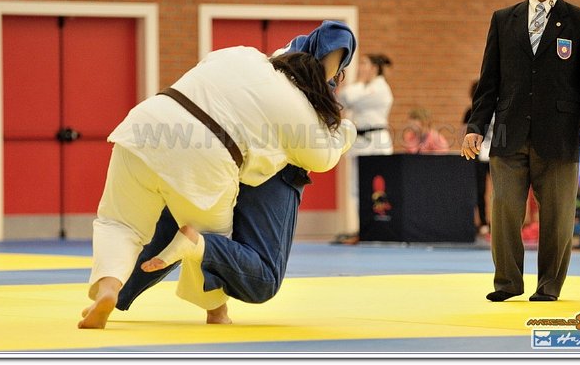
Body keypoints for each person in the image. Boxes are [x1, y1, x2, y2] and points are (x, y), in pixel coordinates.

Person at [78, 24, 357, 328]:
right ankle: (217, 312)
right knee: (207, 241)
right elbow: (325, 158)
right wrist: (347, 132)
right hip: (206, 154)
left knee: (119, 222)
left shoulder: (242, 54)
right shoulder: (300, 110)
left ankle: (108, 289)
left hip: (146, 124)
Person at [461, 0, 580, 303]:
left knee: (557, 219)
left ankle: (549, 287)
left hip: (558, 135)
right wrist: (475, 127)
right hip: (509, 133)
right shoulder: (502, 19)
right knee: (505, 211)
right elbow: (488, 81)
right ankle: (507, 282)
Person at [336, 53, 394, 241]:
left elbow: (349, 98)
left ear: (375, 68)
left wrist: (359, 82)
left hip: (377, 139)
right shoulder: (363, 88)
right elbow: (342, 99)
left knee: (380, 187)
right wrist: (359, 83)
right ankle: (363, 228)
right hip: (359, 140)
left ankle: (381, 227)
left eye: (364, 64)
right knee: (357, 187)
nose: (360, 67)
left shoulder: (380, 88)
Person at [463, 81, 492, 235]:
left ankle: (494, 221)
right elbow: (464, 132)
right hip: (478, 154)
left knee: (498, 190)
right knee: (479, 190)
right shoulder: (470, 112)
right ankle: (482, 221)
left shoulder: (496, 110)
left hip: (495, 153)